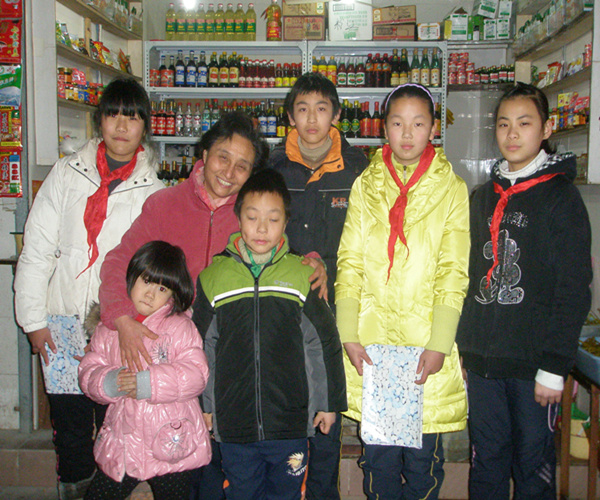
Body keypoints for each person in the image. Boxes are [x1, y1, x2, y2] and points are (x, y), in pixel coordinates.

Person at [97, 111, 327, 499]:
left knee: (228, 465)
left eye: (242, 166)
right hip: (170, 355)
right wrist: (122, 319)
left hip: (229, 362)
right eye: (223, 157)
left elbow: (283, 249)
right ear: (204, 154)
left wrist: (313, 261)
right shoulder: (164, 204)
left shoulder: (249, 216)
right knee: (187, 470)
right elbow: (119, 262)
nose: (229, 172)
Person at [13, 78, 163, 500]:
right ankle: (73, 491)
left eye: (132, 117)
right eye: (113, 115)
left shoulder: (153, 190)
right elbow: (37, 249)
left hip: (115, 328)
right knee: (70, 428)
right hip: (60, 324)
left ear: (145, 126)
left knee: (116, 425)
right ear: (100, 121)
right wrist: (33, 321)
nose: (122, 126)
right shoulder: (67, 173)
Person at [456, 82, 592, 499]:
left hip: (534, 367)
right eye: (503, 124)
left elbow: (574, 288)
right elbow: (468, 276)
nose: (512, 134)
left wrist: (554, 367)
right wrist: (465, 348)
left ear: (546, 129)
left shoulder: (561, 198)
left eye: (524, 123)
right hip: (483, 364)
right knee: (486, 461)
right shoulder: (482, 197)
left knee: (533, 467)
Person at [335, 83, 469, 499]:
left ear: (433, 128)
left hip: (423, 349)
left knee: (423, 466)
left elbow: (453, 272)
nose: (407, 134)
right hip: (373, 348)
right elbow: (350, 263)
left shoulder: (451, 189)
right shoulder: (366, 185)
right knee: (378, 464)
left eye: (418, 123)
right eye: (397, 123)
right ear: (383, 128)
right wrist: (348, 334)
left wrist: (440, 344)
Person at [191, 168, 347, 500]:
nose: (262, 228)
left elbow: (323, 343)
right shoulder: (213, 278)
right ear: (238, 218)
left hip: (290, 423)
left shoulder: (301, 275)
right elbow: (201, 349)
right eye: (252, 217)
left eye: (273, 219)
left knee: (286, 494)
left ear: (286, 222)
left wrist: (328, 403)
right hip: (234, 425)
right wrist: (203, 405)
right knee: (241, 493)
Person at [268, 71, 369, 499]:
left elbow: (368, 241)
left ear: (337, 115)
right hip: (283, 308)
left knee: (328, 409)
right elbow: (258, 230)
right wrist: (298, 265)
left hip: (336, 310)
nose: (312, 119)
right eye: (303, 109)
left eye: (321, 109)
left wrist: (329, 267)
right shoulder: (271, 168)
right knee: (287, 408)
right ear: (290, 117)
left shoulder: (359, 169)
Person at [79, 241, 211, 500]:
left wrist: (148, 383)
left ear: (173, 294)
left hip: (171, 444)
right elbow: (88, 370)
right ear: (132, 278)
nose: (150, 294)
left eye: (162, 288)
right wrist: (110, 382)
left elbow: (197, 374)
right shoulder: (109, 329)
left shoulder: (180, 328)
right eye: (147, 281)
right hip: (123, 444)